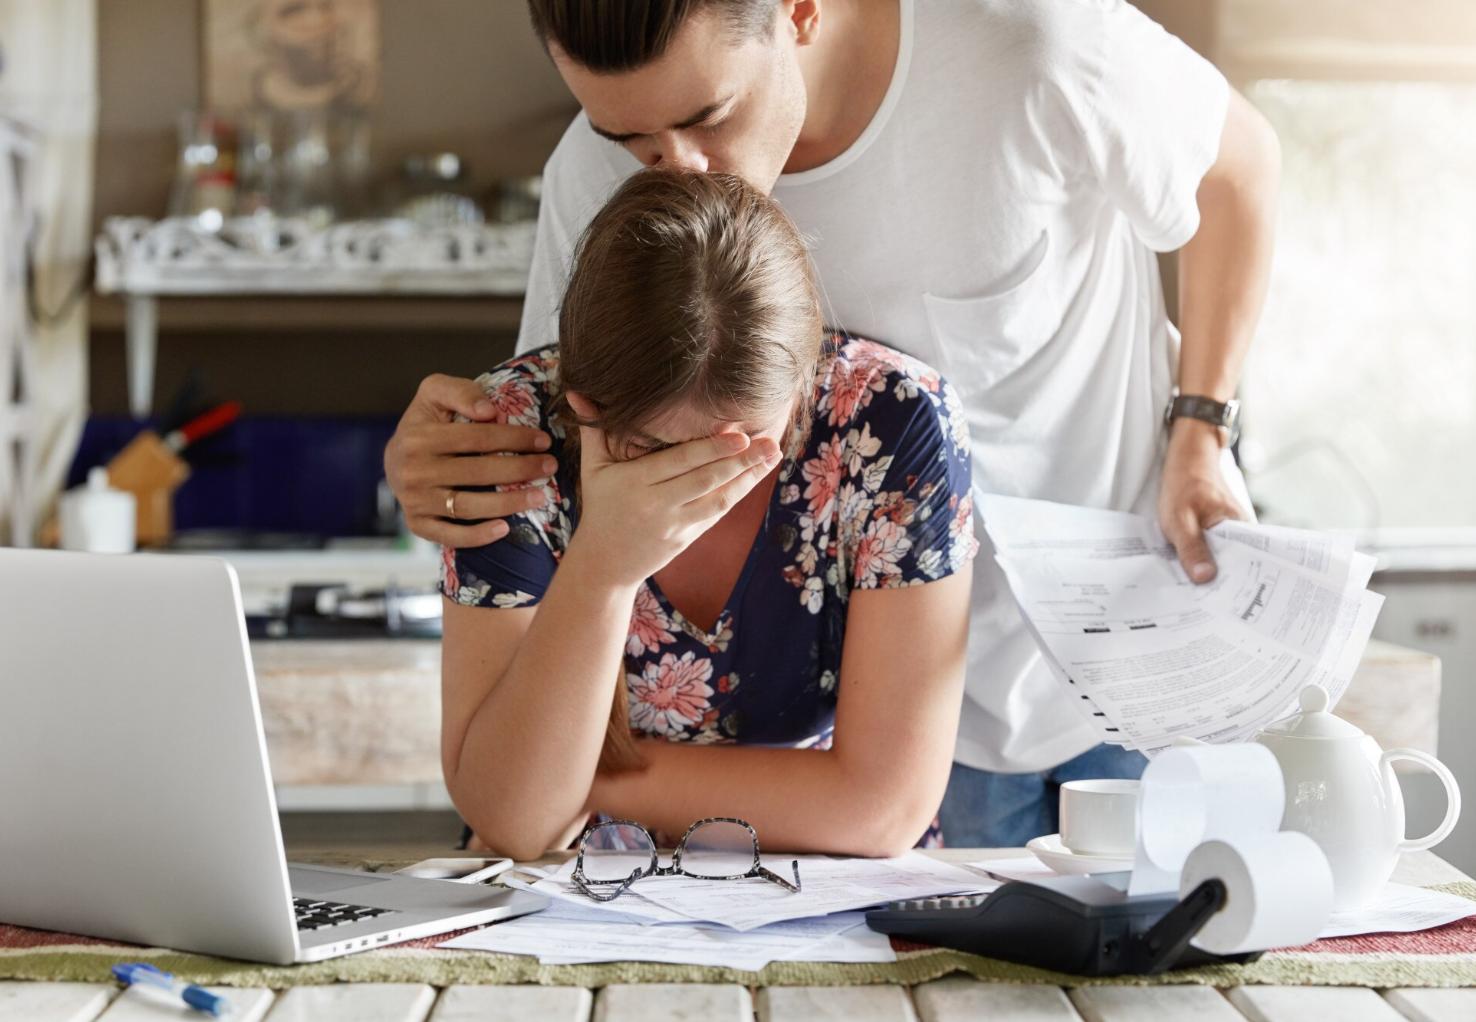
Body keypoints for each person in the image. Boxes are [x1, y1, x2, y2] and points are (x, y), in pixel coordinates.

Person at [389, 0, 1281, 847]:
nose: (678, 171)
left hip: (1110, 645)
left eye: (709, 116)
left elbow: (1241, 168)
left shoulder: (1028, 47)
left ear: (799, 10)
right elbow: (567, 420)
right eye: (628, 137)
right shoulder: (595, 175)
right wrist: (440, 457)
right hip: (866, 712)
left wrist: (1200, 427)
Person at [441, 168, 976, 860]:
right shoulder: (510, 433)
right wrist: (603, 568)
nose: (706, 485)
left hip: (831, 892)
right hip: (574, 900)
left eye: (748, 449)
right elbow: (515, 825)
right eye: (657, 451)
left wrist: (576, 783)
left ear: (802, 386)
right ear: (582, 409)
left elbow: (882, 810)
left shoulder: (894, 422)